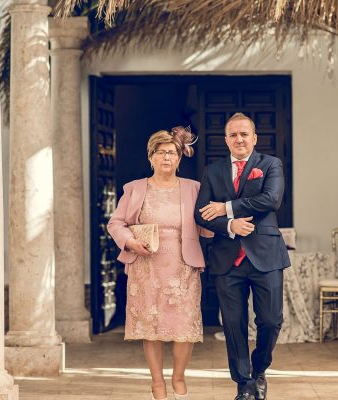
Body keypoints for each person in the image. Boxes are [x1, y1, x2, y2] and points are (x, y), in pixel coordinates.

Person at [107, 127, 212, 400]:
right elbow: (116, 223)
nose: (167, 157)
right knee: (150, 326)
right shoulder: (134, 188)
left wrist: (223, 217)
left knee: (184, 327)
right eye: (161, 152)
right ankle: (157, 383)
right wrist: (130, 242)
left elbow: (206, 224)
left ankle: (178, 377)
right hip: (146, 265)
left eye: (173, 153)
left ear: (179, 158)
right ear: (150, 157)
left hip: (183, 265)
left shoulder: (194, 188)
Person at [194, 113, 290, 400]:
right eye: (233, 135)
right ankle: (245, 383)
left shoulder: (271, 165)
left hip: (266, 256)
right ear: (226, 140)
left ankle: (260, 368)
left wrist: (226, 208)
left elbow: (271, 200)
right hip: (227, 258)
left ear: (254, 138)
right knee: (233, 324)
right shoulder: (212, 171)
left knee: (271, 320)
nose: (239, 139)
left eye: (244, 134)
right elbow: (201, 213)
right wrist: (229, 225)